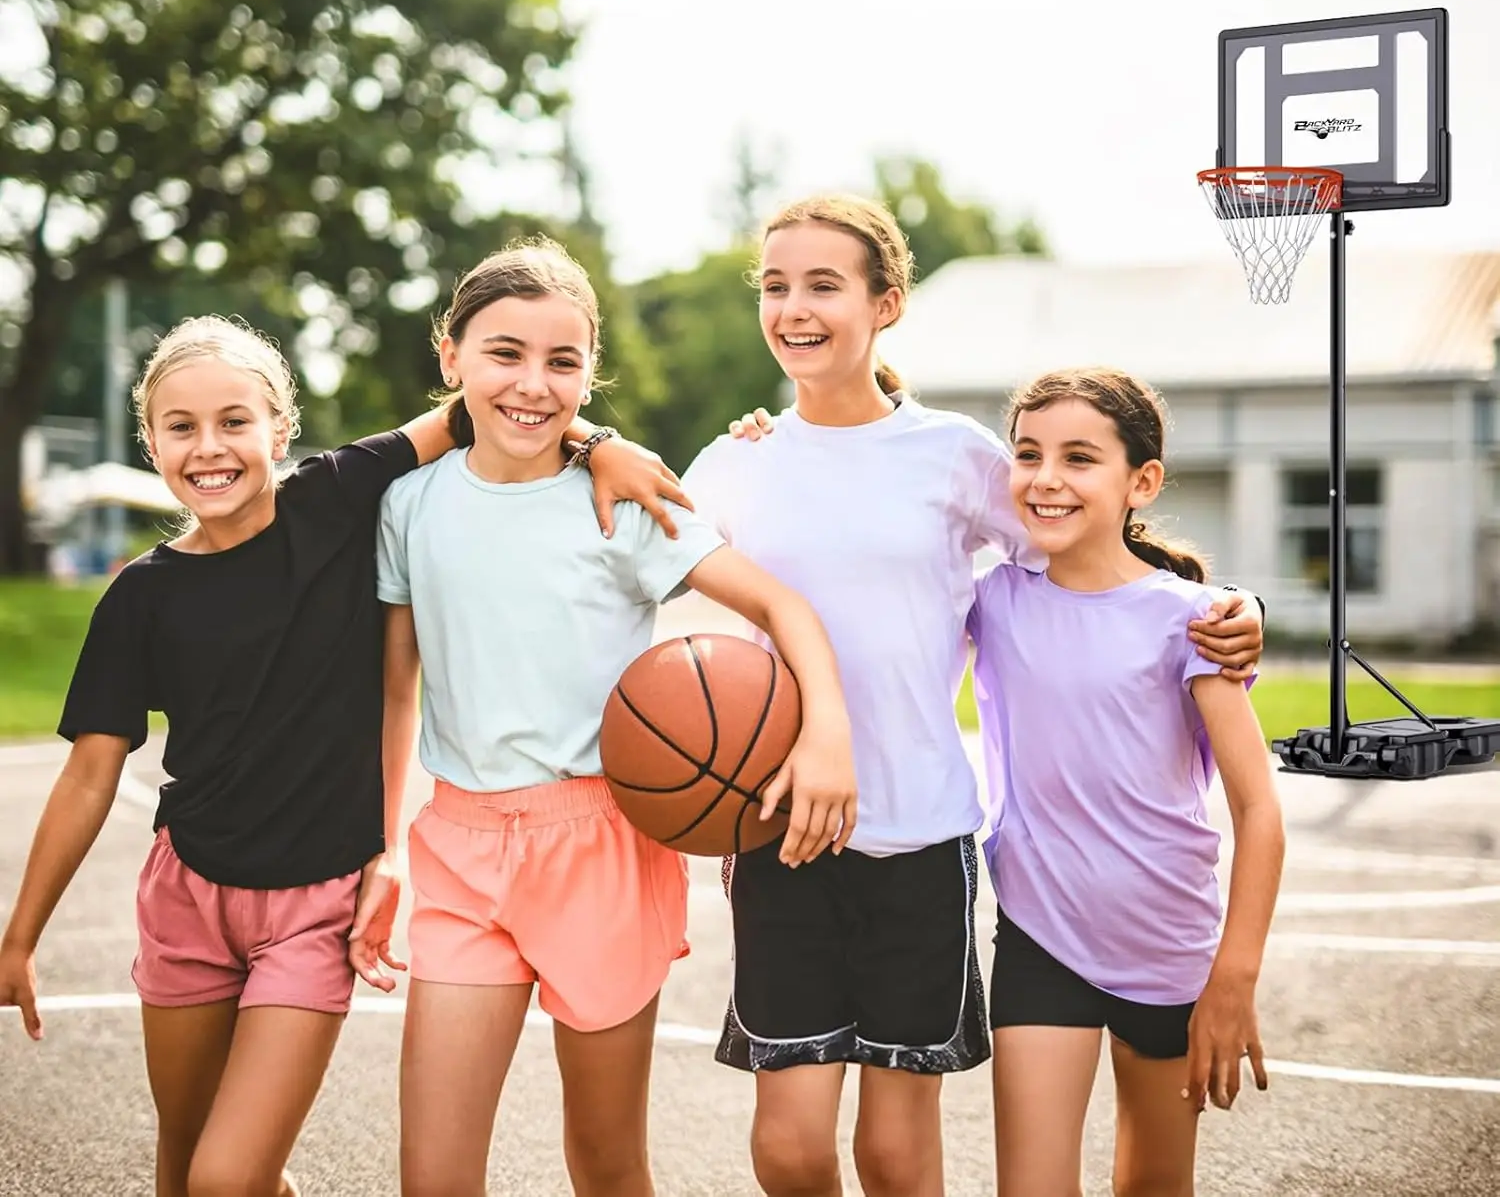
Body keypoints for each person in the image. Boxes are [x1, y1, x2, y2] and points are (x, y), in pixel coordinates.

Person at [0, 312, 692, 1197]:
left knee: (225, 1178)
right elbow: (90, 773)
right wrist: (20, 937)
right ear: (152, 443)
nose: (210, 448)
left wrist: (598, 444)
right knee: (185, 1166)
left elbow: (484, 402)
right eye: (181, 428)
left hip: (311, 905)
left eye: (235, 422)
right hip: (186, 894)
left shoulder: (334, 495)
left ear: (280, 429)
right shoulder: (139, 598)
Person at [683, 193, 1265, 1197]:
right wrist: (595, 447)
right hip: (781, 830)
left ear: (887, 303)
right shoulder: (738, 462)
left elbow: (1082, 538)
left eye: (825, 284)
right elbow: (641, 544)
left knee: (897, 1153)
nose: (795, 307)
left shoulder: (955, 458)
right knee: (787, 1150)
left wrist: (1234, 607)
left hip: (921, 833)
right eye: (776, 286)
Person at [362, 239, 857, 1197]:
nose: (533, 385)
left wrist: (825, 729)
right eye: (504, 353)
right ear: (450, 357)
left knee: (606, 1162)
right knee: (432, 1174)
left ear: (591, 373)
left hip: (604, 844)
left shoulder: (623, 503)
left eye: (564, 361)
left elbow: (784, 609)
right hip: (461, 847)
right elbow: (397, 690)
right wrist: (381, 848)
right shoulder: (408, 505)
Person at [970, 366, 1285, 1197]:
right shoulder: (993, 599)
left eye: (1079, 458)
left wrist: (1234, 976)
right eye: (1028, 453)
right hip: (1040, 932)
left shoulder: (1194, 620)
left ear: (1140, 482)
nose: (1045, 479)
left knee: (1152, 1184)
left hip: (1169, 941)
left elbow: (1259, 811)